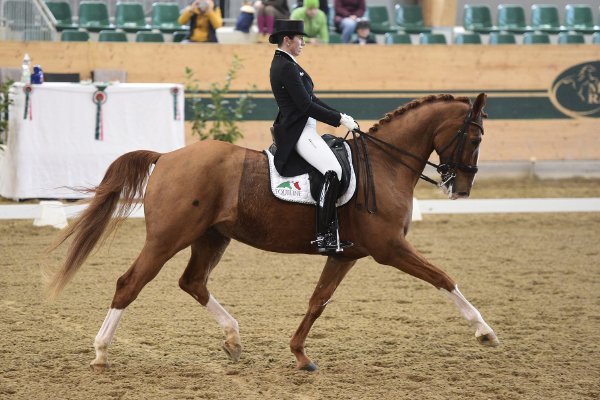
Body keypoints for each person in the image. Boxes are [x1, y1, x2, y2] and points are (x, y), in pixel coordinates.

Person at [268, 19, 358, 253]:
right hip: (298, 132)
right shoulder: (285, 66)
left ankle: (330, 231)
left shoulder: (288, 63)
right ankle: (325, 235)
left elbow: (312, 100)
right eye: (300, 39)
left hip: (306, 128)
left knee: (333, 168)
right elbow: (306, 106)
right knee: (333, 171)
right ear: (287, 40)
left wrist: (340, 115)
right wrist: (337, 120)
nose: (304, 43)